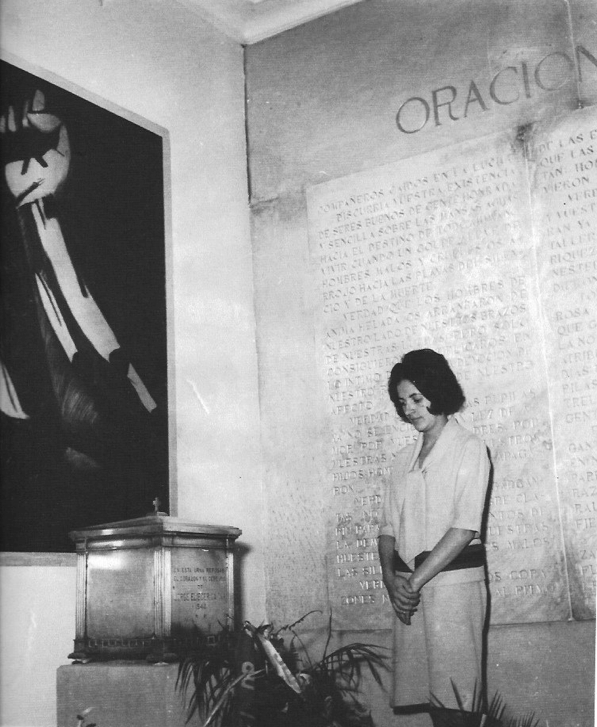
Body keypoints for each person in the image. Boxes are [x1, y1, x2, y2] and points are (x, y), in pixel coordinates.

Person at [378, 349, 490, 726]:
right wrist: (391, 581)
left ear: (438, 392)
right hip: (408, 595)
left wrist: (412, 583)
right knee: (427, 698)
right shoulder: (401, 459)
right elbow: (387, 528)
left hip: (453, 589)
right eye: (402, 402)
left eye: (416, 398)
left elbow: (465, 527)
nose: (409, 409)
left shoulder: (469, 447)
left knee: (456, 701)